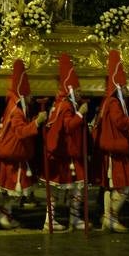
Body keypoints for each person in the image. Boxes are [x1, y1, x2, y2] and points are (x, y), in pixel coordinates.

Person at [0, 59, 47, 229]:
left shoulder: (14, 107)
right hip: (15, 157)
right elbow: (21, 132)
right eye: (29, 95)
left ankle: (5, 212)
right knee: (16, 190)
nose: (32, 98)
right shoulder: (16, 111)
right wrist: (37, 122)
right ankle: (3, 211)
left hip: (16, 155)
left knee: (15, 190)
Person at [96, 49, 129, 232]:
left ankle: (108, 218)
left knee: (111, 187)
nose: (127, 90)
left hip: (115, 149)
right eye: (124, 87)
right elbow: (120, 122)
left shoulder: (109, 102)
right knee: (125, 184)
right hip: (115, 150)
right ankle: (110, 216)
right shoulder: (114, 103)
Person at [41, 53, 88, 231]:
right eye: (77, 91)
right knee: (59, 188)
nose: (80, 93)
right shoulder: (66, 106)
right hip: (65, 154)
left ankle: (71, 218)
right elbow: (68, 126)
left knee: (76, 187)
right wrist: (81, 114)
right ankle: (51, 220)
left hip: (68, 153)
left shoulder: (61, 104)